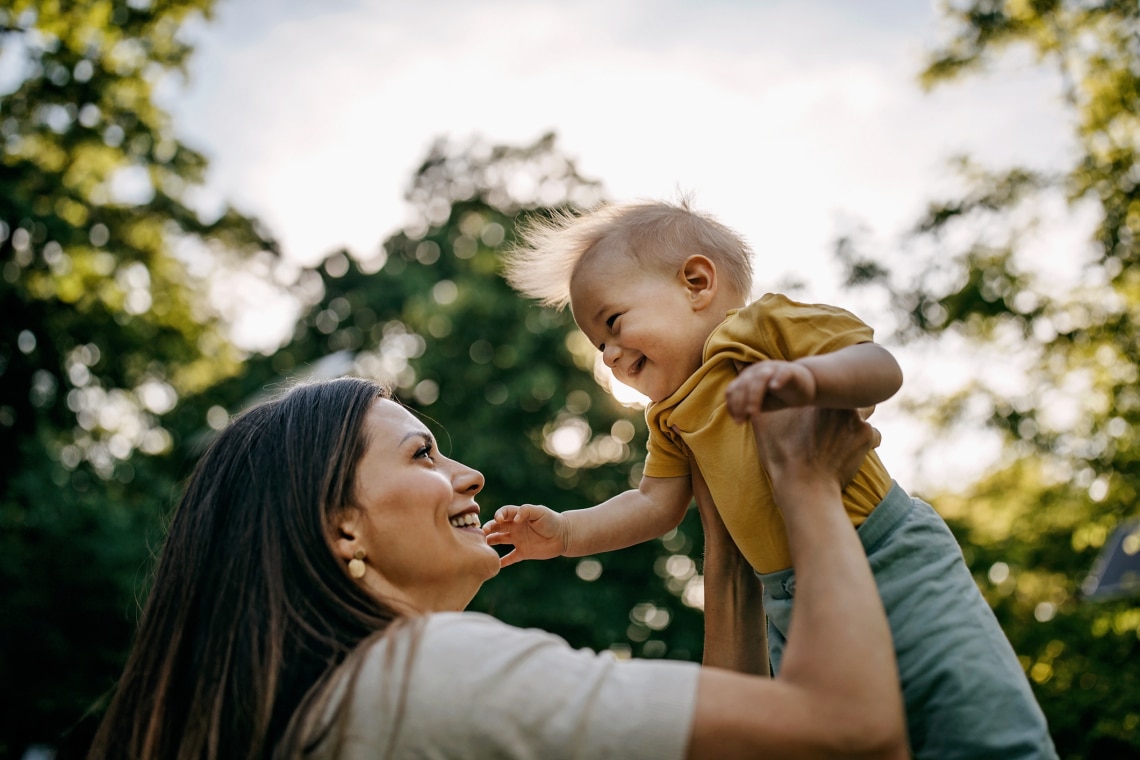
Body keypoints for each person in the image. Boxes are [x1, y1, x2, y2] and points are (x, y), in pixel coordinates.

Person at [487, 198, 1058, 759]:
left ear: (696, 283)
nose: (610, 354)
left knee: (969, 710)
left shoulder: (760, 332)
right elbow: (653, 503)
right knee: (843, 735)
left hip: (886, 553)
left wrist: (810, 380)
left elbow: (880, 366)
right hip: (787, 599)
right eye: (599, 345)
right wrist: (566, 533)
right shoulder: (669, 416)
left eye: (613, 323)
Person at [86, 375, 908, 759]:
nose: (469, 475)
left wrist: (731, 521)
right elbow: (849, 728)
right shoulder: (430, 674)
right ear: (342, 532)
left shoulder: (328, 713)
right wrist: (804, 483)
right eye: (424, 455)